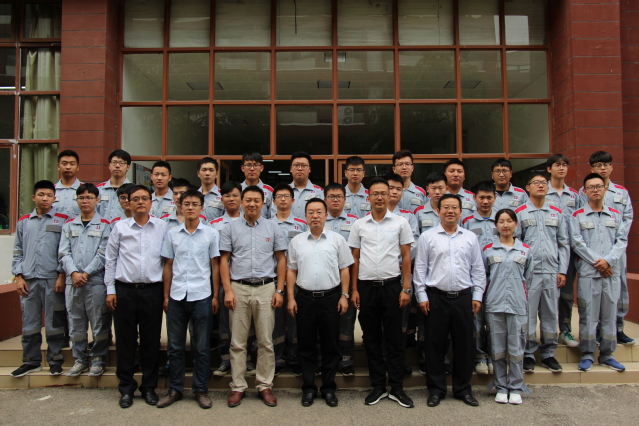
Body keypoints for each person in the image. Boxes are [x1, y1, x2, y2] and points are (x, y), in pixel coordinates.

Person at [413, 193, 486, 408]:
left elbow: (478, 269)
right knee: (434, 345)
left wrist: (477, 295)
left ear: (461, 212)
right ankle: (436, 390)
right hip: (436, 298)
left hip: (464, 298)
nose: (450, 211)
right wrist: (422, 296)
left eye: (454, 207)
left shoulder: (469, 237)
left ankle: (463, 389)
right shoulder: (427, 237)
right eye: (446, 207)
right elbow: (420, 269)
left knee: (464, 345)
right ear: (438, 211)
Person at [348, 177, 415, 408]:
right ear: (368, 197)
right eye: (375, 194)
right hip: (366, 289)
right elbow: (355, 259)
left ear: (390, 196)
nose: (379, 197)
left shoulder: (400, 223)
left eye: (383, 193)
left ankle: (397, 387)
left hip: (392, 287)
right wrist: (354, 289)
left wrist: (405, 288)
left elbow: (406, 256)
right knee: (372, 338)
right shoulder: (359, 225)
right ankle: (377, 386)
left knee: (395, 338)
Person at [219, 185, 287, 408]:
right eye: (248, 200)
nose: (252, 204)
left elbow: (281, 259)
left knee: (265, 341)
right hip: (238, 288)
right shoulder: (230, 228)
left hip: (266, 288)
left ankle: (264, 385)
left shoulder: (273, 227)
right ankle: (238, 387)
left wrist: (279, 290)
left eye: (256, 200)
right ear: (241, 202)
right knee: (237, 342)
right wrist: (228, 290)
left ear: (263, 202)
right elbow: (224, 260)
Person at [105, 184, 168, 409]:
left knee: (151, 341)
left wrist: (166, 294)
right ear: (128, 203)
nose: (140, 202)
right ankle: (126, 388)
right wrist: (110, 290)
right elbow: (110, 260)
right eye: (135, 199)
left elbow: (168, 261)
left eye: (144, 198)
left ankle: (149, 387)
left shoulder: (162, 227)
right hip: (125, 291)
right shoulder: (120, 228)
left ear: (151, 203)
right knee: (125, 340)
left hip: (152, 291)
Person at [287, 198, 354, 407]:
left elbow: (345, 269)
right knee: (305, 345)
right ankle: (308, 388)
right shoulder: (297, 241)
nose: (315, 216)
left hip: (331, 299)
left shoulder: (337, 240)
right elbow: (291, 270)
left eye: (318, 212)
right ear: (305, 216)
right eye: (310, 212)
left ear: (326, 215)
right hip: (304, 299)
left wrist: (344, 295)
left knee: (330, 345)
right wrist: (291, 298)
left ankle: (328, 388)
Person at [158, 189, 220, 409]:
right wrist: (166, 296)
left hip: (202, 295)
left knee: (201, 347)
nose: (191, 207)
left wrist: (215, 295)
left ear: (202, 207)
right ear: (180, 207)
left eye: (195, 204)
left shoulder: (211, 234)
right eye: (187, 204)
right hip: (176, 296)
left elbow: (215, 266)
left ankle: (200, 389)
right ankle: (175, 389)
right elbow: (168, 265)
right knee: (175, 347)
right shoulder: (172, 234)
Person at [11, 180, 68, 377]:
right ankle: (31, 360)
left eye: (49, 195)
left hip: (53, 280)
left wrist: (61, 275)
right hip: (29, 280)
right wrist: (18, 276)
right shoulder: (24, 222)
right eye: (41, 195)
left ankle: (55, 360)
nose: (45, 199)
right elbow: (18, 251)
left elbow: (65, 251)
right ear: (33, 197)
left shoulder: (63, 221)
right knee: (30, 322)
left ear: (54, 198)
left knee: (54, 322)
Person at [571, 173, 628, 372]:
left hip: (611, 273)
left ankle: (607, 354)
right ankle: (587, 353)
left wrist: (608, 261)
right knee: (588, 314)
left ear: (605, 189)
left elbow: (622, 241)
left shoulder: (616, 215)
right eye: (591, 187)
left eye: (598, 186)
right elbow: (577, 243)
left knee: (609, 315)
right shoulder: (577, 216)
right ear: (584, 191)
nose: (595, 190)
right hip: (589, 273)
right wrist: (599, 262)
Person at [516, 171, 569, 374]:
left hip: (551, 272)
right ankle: (528, 354)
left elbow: (563, 243)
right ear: (527, 188)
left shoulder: (556, 212)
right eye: (536, 182)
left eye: (543, 183)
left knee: (550, 313)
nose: (540, 185)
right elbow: (516, 243)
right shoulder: (520, 212)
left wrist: (562, 270)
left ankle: (548, 353)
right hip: (529, 273)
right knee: (528, 314)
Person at [579, 151, 634, 345]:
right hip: (592, 252)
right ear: (592, 168)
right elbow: (580, 217)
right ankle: (594, 333)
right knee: (592, 295)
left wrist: (611, 256)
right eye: (598, 165)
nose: (602, 168)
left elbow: (627, 220)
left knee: (620, 289)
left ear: (611, 167)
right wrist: (598, 259)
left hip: (616, 250)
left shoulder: (621, 192)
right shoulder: (583, 192)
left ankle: (618, 328)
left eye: (606, 164)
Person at [59, 183, 111, 377]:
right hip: (73, 283)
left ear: (97, 200)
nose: (85, 201)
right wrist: (73, 272)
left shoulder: (105, 225)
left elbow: (104, 254)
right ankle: (79, 359)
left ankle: (98, 359)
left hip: (95, 282)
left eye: (89, 197)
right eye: (81, 197)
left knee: (99, 322)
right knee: (76, 322)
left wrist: (86, 273)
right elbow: (63, 253)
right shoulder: (68, 225)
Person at [483, 209, 532, 405]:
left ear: (516, 224)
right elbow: (484, 277)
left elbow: (529, 278)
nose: (505, 225)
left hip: (517, 305)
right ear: (496, 225)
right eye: (501, 221)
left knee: (516, 348)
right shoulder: (488, 250)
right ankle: (501, 386)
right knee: (497, 348)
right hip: (495, 304)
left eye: (509, 221)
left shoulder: (525, 250)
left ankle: (516, 386)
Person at [209, 181, 252, 377]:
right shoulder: (214, 225)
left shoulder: (252, 221)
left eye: (235, 195)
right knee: (225, 324)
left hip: (246, 280)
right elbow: (215, 259)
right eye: (227, 196)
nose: (231, 199)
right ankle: (225, 360)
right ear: (222, 199)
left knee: (248, 323)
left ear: (241, 198)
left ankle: (247, 360)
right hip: (223, 281)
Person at [462, 181, 499, 375]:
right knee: (476, 317)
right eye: (481, 197)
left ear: (495, 198)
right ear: (474, 198)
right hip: (474, 276)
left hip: (497, 277)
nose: (485, 201)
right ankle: (479, 356)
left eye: (489, 197)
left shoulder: (501, 219)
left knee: (493, 317)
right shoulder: (467, 221)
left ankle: (493, 355)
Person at [270, 183, 307, 376]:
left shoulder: (302, 225)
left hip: (297, 279)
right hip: (272, 279)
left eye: (286, 196)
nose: (283, 199)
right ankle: (278, 359)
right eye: (279, 196)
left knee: (294, 319)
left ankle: (294, 358)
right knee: (275, 321)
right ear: (273, 201)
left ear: (293, 200)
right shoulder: (266, 224)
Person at [546, 154, 581, 348]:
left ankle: (565, 329)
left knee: (566, 293)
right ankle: (547, 331)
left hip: (568, 251)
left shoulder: (574, 196)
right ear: (549, 169)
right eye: (557, 165)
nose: (561, 168)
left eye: (564, 165)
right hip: (547, 250)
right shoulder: (541, 192)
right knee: (546, 294)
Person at [324, 183, 359, 376]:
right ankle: (327, 358)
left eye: (339, 196)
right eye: (331, 196)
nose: (335, 200)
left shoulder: (355, 222)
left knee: (347, 319)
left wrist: (354, 288)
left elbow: (357, 253)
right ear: (325, 199)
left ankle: (346, 359)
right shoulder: (318, 220)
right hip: (324, 279)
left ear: (345, 200)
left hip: (348, 277)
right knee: (325, 321)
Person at [97, 149, 132, 221]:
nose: (117, 166)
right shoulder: (98, 190)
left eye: (121, 163)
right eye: (114, 162)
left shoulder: (134, 190)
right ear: (109, 165)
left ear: (128, 167)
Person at [289, 151, 324, 219]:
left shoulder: (320, 192)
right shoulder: (282, 192)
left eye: (304, 165)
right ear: (291, 169)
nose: (300, 169)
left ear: (309, 169)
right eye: (296, 165)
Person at [241, 151, 273, 219]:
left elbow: (272, 216)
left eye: (255, 165)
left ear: (261, 168)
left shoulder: (269, 191)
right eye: (248, 165)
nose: (252, 169)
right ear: (243, 168)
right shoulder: (237, 190)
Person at [53, 149, 82, 218]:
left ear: (78, 167)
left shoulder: (85, 190)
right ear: (58, 166)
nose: (68, 167)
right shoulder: (51, 190)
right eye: (64, 164)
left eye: (72, 164)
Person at [197, 157, 224, 221]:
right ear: (198, 173)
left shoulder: (223, 195)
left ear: (216, 174)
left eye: (211, 170)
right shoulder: (193, 196)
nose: (207, 173)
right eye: (204, 170)